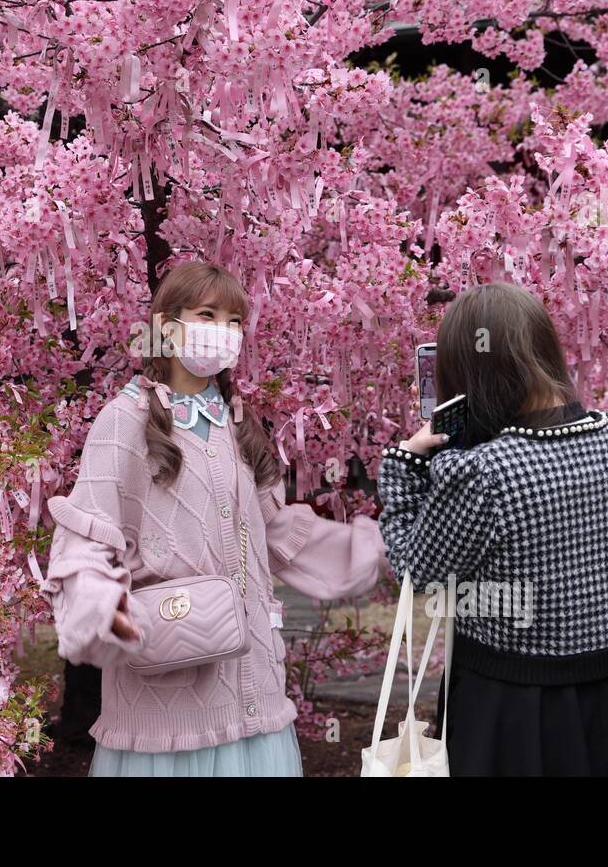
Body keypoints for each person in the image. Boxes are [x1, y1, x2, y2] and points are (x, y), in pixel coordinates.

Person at [41, 260, 388, 776]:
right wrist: (99, 606)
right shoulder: (125, 420)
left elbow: (277, 533)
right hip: (167, 693)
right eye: (207, 314)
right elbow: (86, 534)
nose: (222, 333)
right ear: (165, 325)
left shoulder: (238, 424)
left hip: (254, 687)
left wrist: (377, 543)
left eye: (233, 321)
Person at [376, 281, 608, 775]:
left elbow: (418, 572)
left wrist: (406, 462)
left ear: (470, 370)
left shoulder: (482, 471)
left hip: (510, 701)